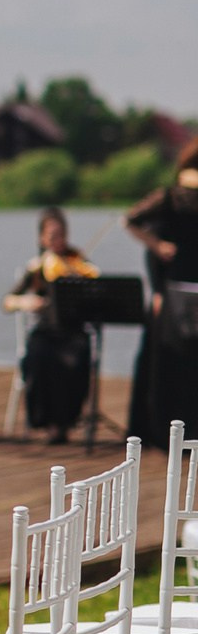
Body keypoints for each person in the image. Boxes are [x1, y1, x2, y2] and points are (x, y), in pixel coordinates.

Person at [2, 207, 98, 445]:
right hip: (46, 331)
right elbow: (7, 301)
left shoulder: (78, 262)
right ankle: (46, 422)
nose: (58, 240)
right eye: (52, 235)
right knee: (38, 356)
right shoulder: (37, 267)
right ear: (42, 238)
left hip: (73, 332)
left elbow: (97, 291)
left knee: (76, 358)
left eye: (62, 235)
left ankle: (68, 420)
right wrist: (27, 302)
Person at [126, 138, 198, 448]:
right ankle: (166, 429)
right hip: (173, 290)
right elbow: (131, 219)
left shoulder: (170, 196)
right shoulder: (170, 197)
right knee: (171, 362)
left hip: (179, 287)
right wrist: (157, 246)